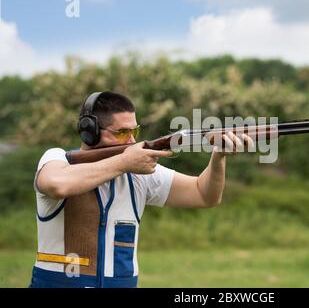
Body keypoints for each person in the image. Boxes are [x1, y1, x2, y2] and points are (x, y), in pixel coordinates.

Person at [29, 91, 254, 288]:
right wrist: (125, 162)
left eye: (134, 132)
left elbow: (204, 195)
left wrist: (218, 156)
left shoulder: (139, 173)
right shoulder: (58, 159)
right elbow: (57, 184)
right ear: (90, 131)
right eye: (121, 133)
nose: (130, 142)